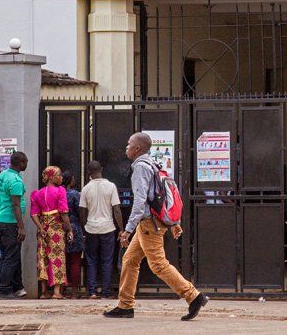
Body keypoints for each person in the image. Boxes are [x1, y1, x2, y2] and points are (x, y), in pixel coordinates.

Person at [104, 132, 208, 320]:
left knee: (158, 264)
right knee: (130, 260)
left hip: (149, 225)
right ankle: (125, 305)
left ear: (137, 148)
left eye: (129, 144)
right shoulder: (154, 164)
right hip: (151, 223)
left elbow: (140, 202)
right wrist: (173, 222)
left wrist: (127, 230)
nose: (126, 147)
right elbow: (163, 196)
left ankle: (193, 296)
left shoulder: (141, 167)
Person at [79, 160, 123, 299]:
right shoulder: (111, 186)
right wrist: (121, 229)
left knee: (91, 260)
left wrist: (84, 227)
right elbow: (116, 209)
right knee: (107, 260)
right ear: (102, 169)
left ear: (88, 172)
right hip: (108, 228)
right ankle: (106, 292)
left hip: (91, 228)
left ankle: (92, 291)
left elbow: (82, 211)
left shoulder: (86, 188)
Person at [30, 166, 73, 299]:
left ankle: (43, 292)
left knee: (42, 258)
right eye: (58, 175)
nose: (61, 178)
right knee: (57, 258)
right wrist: (69, 229)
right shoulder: (60, 191)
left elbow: (34, 214)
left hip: (43, 229)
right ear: (51, 177)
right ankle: (56, 292)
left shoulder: (37, 193)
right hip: (56, 229)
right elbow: (64, 213)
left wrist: (41, 228)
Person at [0, 151, 28, 300]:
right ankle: (4, 290)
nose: (26, 165)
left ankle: (13, 288)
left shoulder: (1, 176)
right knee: (10, 257)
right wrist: (21, 227)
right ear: (21, 163)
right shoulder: (15, 180)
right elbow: (15, 205)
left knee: (8, 255)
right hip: (9, 222)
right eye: (26, 162)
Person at [63, 170, 84, 298]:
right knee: (75, 260)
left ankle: (61, 289)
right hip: (74, 227)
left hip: (60, 228)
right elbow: (80, 211)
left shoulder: (58, 193)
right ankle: (74, 292)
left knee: (62, 260)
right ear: (70, 180)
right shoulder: (74, 194)